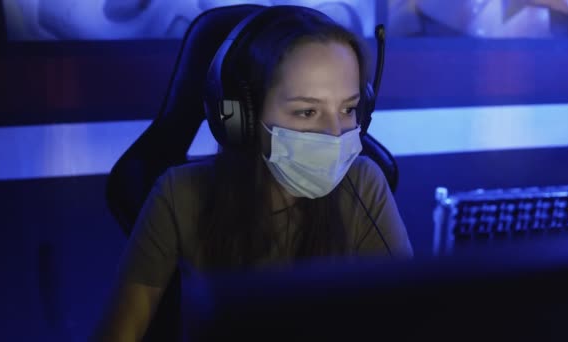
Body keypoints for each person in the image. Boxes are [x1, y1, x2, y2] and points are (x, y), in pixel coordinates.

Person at [91, 5, 413, 341]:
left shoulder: (363, 184)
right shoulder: (180, 195)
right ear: (240, 119)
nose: (335, 133)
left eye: (348, 109)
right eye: (306, 112)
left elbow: (410, 317)